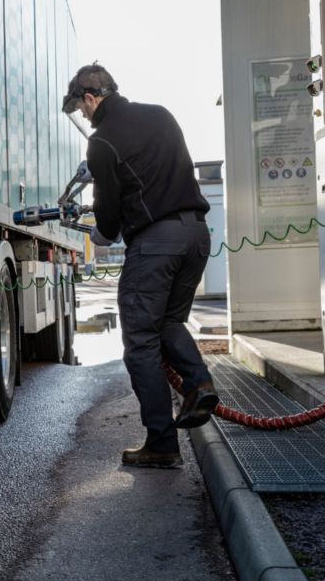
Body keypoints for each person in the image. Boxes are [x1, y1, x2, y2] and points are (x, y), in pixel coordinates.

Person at [62, 63, 219, 469]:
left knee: (140, 342)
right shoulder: (160, 114)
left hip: (156, 245)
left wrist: (98, 233)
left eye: (81, 109)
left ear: (91, 98)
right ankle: (199, 383)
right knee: (167, 322)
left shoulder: (102, 143)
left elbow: (110, 221)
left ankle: (162, 444)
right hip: (196, 236)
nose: (84, 116)